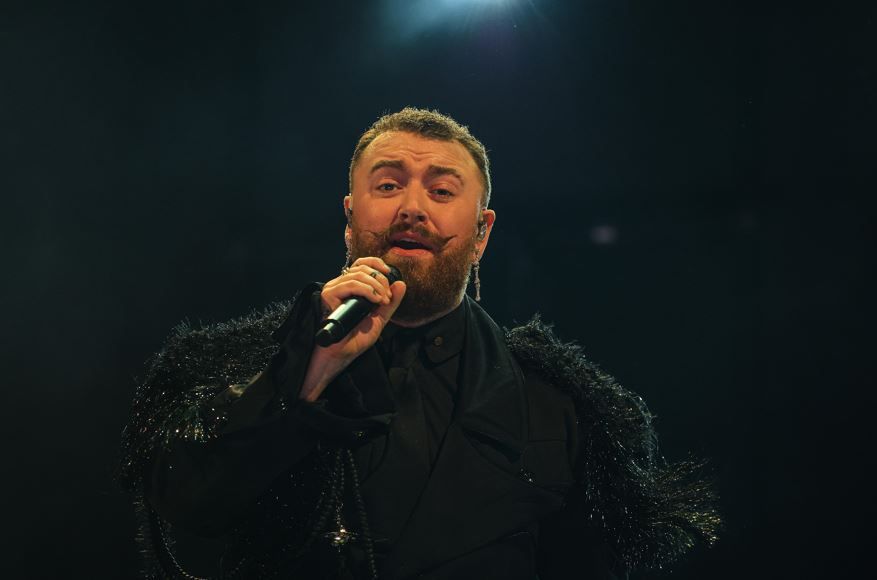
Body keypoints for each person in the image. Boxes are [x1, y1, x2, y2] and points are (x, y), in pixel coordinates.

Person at [120, 108, 719, 579]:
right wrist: (303, 375)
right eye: (388, 186)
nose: (411, 208)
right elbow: (188, 507)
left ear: (481, 234)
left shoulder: (559, 406)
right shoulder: (238, 366)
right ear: (349, 218)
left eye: (441, 192)